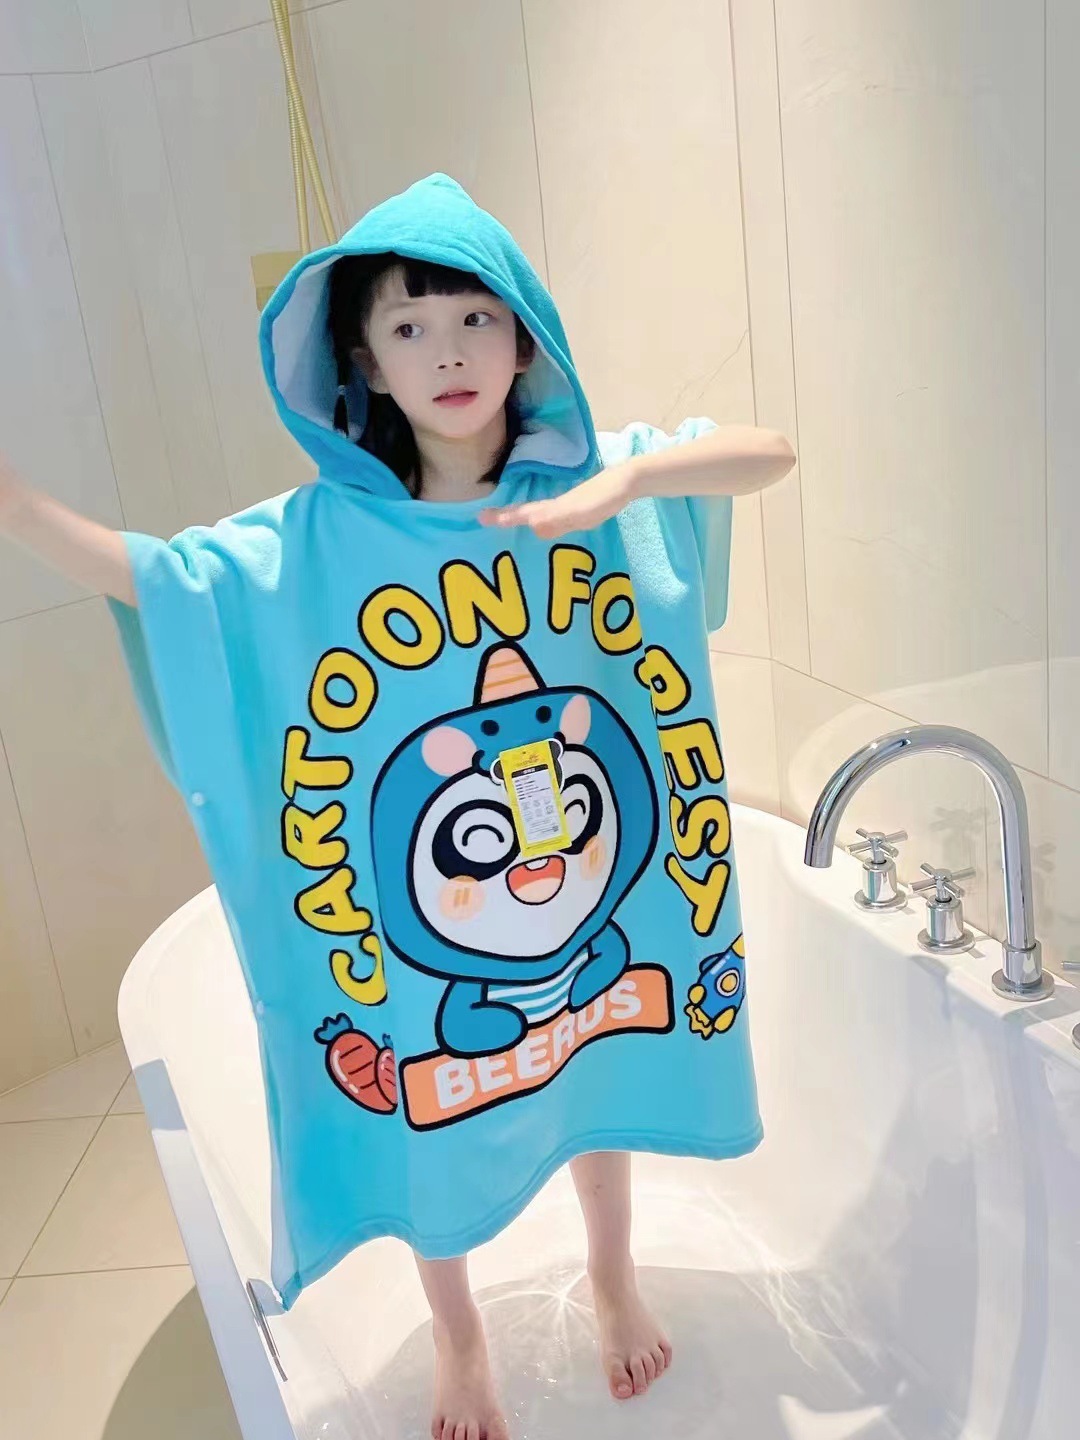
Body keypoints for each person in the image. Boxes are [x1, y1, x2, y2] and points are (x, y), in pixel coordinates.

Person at [0, 173, 794, 1440]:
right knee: (432, 1093)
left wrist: (625, 487)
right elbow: (155, 581)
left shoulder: (603, 482)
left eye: (476, 318)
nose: (449, 354)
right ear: (363, 363)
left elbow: (770, 454)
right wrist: (15, 500)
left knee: (597, 1056)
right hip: (444, 922)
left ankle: (612, 1275)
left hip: (586, 887)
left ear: (525, 337)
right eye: (409, 327)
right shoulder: (319, 541)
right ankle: (459, 1336)